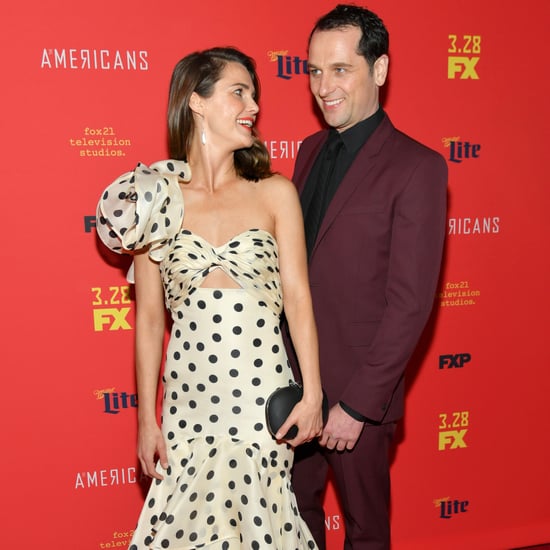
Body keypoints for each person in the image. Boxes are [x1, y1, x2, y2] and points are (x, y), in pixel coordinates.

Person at [96, 47, 325, 550]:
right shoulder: (154, 200)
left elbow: (299, 299)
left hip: (261, 395)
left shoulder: (274, 194)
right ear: (196, 103)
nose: (254, 106)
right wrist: (146, 420)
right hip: (189, 405)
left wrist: (312, 395)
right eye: (237, 91)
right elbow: (151, 321)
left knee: (264, 526)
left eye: (255, 94)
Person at [287, 5, 448, 549]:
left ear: (378, 70)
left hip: (357, 398)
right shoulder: (308, 152)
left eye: (340, 69)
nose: (323, 86)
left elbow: (410, 303)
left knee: (365, 535)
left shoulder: (418, 168)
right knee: (294, 521)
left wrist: (356, 405)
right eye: (313, 70)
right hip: (292, 386)